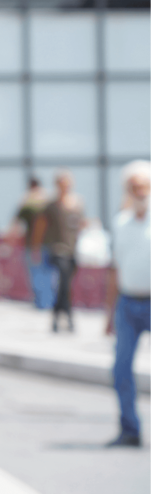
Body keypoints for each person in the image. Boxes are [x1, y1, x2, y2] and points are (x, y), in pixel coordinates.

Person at [104, 160, 151, 448]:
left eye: (145, 186)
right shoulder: (121, 222)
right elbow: (115, 268)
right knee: (121, 369)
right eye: (135, 187)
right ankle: (129, 428)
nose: (141, 191)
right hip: (127, 303)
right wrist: (108, 314)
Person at [32, 170, 86, 333]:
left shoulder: (77, 203)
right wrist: (36, 249)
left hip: (72, 249)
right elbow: (39, 228)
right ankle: (67, 317)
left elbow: (80, 225)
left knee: (66, 284)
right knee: (62, 281)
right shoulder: (51, 205)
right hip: (56, 248)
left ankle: (57, 316)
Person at [16, 177, 53, 309]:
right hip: (50, 244)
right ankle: (48, 302)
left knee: (36, 274)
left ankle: (42, 303)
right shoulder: (49, 199)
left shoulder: (28, 200)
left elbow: (17, 222)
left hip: (33, 244)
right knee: (48, 275)